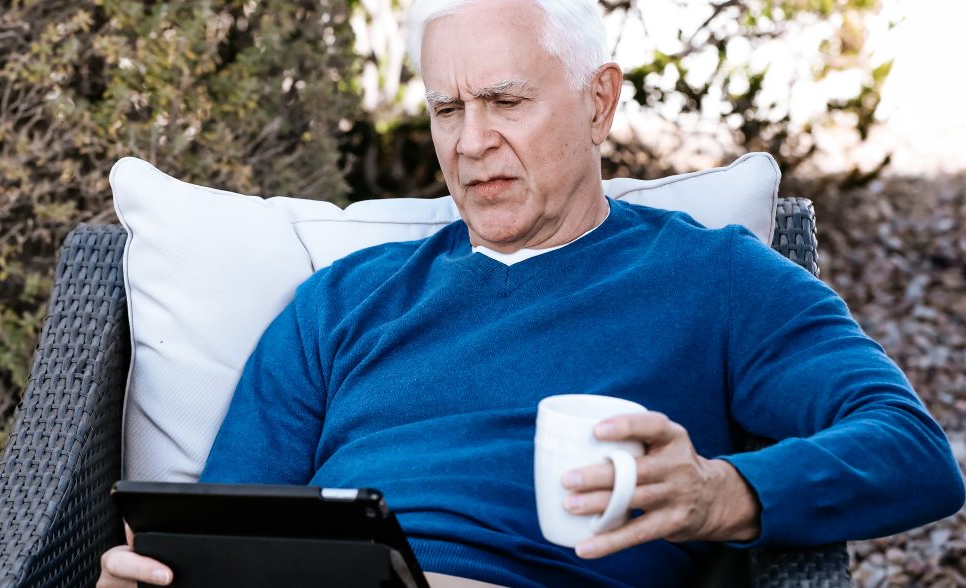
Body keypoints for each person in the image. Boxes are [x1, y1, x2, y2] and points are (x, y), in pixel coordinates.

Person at [97, 0, 965, 585]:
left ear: (598, 104)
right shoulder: (339, 304)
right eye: (447, 110)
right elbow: (228, 535)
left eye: (506, 103)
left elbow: (912, 451)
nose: (471, 144)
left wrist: (720, 495)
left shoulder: (716, 279)